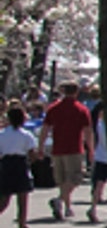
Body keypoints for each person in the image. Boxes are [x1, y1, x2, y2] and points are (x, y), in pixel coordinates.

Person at [35, 81, 91, 220]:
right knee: (75, 178)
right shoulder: (81, 109)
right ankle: (59, 200)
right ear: (76, 92)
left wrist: (40, 146)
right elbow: (88, 131)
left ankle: (67, 207)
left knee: (62, 180)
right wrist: (90, 148)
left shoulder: (54, 108)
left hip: (57, 148)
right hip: (74, 148)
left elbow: (45, 129)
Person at [1, 103, 35, 228]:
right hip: (20, 164)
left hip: (6, 165)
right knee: (22, 202)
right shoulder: (26, 135)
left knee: (4, 199)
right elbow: (32, 154)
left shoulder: (2, 134)